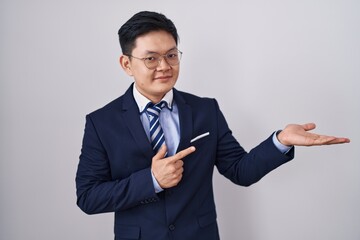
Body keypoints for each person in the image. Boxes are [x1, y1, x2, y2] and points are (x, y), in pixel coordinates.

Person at [75, 11, 350, 240]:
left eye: (171, 55)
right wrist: (151, 181)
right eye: (151, 58)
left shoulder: (206, 110)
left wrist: (281, 141)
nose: (164, 66)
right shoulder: (101, 122)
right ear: (126, 64)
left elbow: (240, 171)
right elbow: (88, 197)